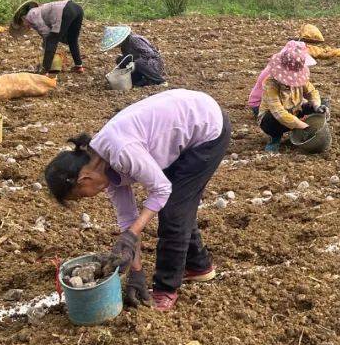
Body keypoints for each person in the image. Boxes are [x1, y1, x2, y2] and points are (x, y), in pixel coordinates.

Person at [42, 89, 230, 312]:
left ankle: (165, 288)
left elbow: (161, 190)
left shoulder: (121, 151)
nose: (87, 198)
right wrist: (136, 273)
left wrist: (131, 234)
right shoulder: (103, 170)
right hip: (181, 131)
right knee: (180, 205)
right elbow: (127, 219)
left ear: (83, 179)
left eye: (81, 195)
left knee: (173, 210)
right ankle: (199, 266)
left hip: (207, 127)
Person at [257, 40, 325, 152]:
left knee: (322, 104)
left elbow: (312, 92)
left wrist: (317, 105)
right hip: (275, 118)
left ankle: (308, 130)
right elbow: (279, 113)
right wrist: (302, 125)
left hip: (294, 110)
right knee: (271, 119)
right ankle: (275, 138)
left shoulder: (300, 80)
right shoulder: (271, 84)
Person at [10, 0, 85, 74]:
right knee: (72, 39)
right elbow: (48, 31)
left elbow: (46, 34)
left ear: (23, 18)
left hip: (65, 11)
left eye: (23, 24)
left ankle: (45, 69)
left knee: (51, 40)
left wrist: (45, 52)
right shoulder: (38, 10)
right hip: (77, 9)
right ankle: (78, 66)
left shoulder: (31, 15)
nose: (25, 27)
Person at [99, 26, 165, 87]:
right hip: (140, 63)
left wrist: (134, 62)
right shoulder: (124, 46)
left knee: (139, 63)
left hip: (153, 63)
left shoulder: (134, 40)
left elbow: (150, 54)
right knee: (120, 60)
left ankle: (160, 81)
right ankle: (138, 80)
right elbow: (129, 57)